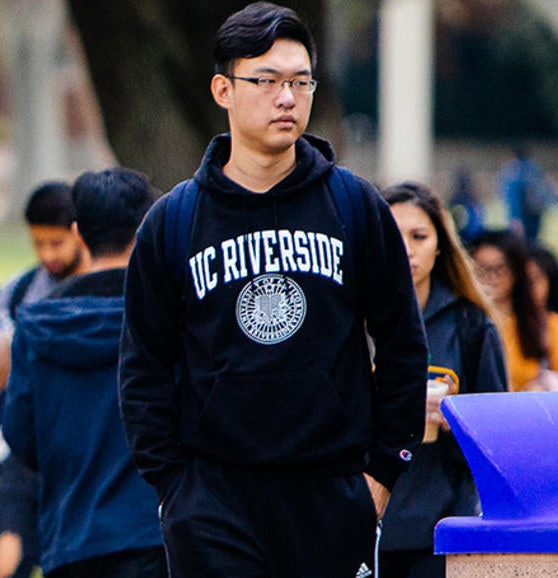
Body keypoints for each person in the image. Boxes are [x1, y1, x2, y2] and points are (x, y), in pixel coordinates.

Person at [119, 4, 428, 576]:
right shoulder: (174, 222)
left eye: (300, 82)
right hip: (213, 504)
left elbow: (403, 344)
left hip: (333, 493)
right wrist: (173, 488)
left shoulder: (354, 206)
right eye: (266, 81)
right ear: (224, 90)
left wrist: (382, 474)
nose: (287, 98)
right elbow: (144, 367)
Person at [4, 168, 165, 578]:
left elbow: (21, 437)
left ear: (77, 232)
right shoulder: (167, 319)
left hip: (70, 538)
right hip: (155, 534)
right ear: (144, 229)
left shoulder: (36, 326)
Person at [374, 182, 510, 578]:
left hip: (442, 528)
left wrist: (456, 420)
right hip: (363, 521)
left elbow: (499, 434)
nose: (406, 248)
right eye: (393, 235)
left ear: (439, 246)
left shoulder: (470, 325)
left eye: (419, 236)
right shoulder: (349, 318)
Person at [0, 182, 81, 578]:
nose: (48, 255)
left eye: (57, 243)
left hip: (84, 457)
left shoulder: (106, 286)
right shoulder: (19, 292)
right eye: (39, 244)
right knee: (5, 566)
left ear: (79, 232)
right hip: (25, 454)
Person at [466, 233, 558, 392]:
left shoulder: (547, 324)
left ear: (516, 272)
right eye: (481, 269)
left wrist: (541, 386)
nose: (490, 277)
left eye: (498, 269)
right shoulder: (461, 321)